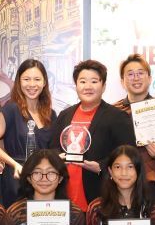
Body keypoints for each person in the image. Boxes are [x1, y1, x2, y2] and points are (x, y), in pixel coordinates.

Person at [49, 59, 134, 213]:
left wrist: (101, 166)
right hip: (64, 199)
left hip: (100, 198)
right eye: (82, 81)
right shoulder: (64, 115)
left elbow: (128, 154)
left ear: (103, 86)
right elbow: (52, 148)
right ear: (76, 86)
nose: (88, 86)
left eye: (94, 81)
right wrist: (58, 157)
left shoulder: (117, 117)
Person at [112, 54, 155, 206]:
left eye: (140, 73)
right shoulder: (113, 111)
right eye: (130, 74)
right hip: (122, 183)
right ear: (122, 81)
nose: (136, 78)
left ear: (149, 78)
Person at [0, 59, 57, 207]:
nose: (32, 84)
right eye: (26, 79)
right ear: (19, 82)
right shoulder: (10, 109)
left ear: (44, 82)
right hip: (16, 179)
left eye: (37, 79)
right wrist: (14, 164)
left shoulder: (51, 114)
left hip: (44, 181)